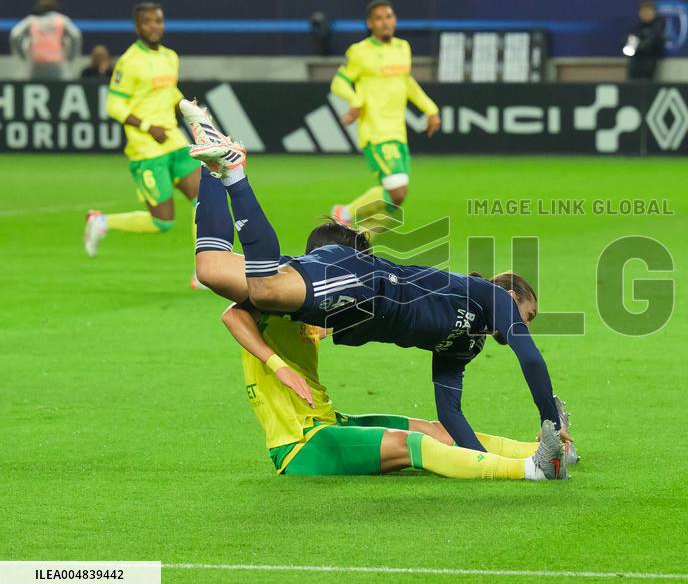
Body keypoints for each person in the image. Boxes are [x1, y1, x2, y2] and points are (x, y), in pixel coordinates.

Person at [182, 102, 572, 454]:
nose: (524, 323)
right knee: (265, 289)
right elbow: (531, 359)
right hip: (367, 285)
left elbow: (449, 414)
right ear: (509, 292)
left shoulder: (465, 343)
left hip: (349, 297)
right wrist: (549, 418)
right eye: (528, 313)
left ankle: (213, 166)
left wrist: (479, 461)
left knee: (211, 269)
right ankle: (235, 172)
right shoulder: (490, 296)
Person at [83, 3, 204, 292]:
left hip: (173, 141)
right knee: (162, 222)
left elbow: (169, 91)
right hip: (146, 149)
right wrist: (149, 127)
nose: (154, 26)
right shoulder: (129, 61)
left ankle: (204, 272)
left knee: (205, 201)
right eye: (147, 22)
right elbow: (114, 105)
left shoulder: (170, 57)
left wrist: (190, 111)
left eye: (158, 21)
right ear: (138, 28)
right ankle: (102, 222)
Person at [330, 0, 440, 233]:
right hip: (376, 131)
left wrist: (430, 108)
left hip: (398, 132)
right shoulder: (360, 52)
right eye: (379, 18)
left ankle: (361, 242)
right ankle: (345, 213)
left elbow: (407, 82)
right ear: (370, 24)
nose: (386, 22)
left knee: (395, 200)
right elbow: (338, 82)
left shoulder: (403, 48)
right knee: (397, 191)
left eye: (389, 16)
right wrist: (356, 101)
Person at [8, 0, 81, 80]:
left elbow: (15, 34)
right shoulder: (62, 20)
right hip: (57, 64)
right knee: (59, 90)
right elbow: (76, 35)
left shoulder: (32, 19)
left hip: (35, 63)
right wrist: (70, 57)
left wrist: (23, 56)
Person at [624, 0, 665, 81]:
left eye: (648, 12)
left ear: (653, 13)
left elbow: (649, 45)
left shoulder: (657, 28)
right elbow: (627, 45)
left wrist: (637, 45)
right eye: (643, 11)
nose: (645, 14)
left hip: (649, 70)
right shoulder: (636, 28)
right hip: (634, 69)